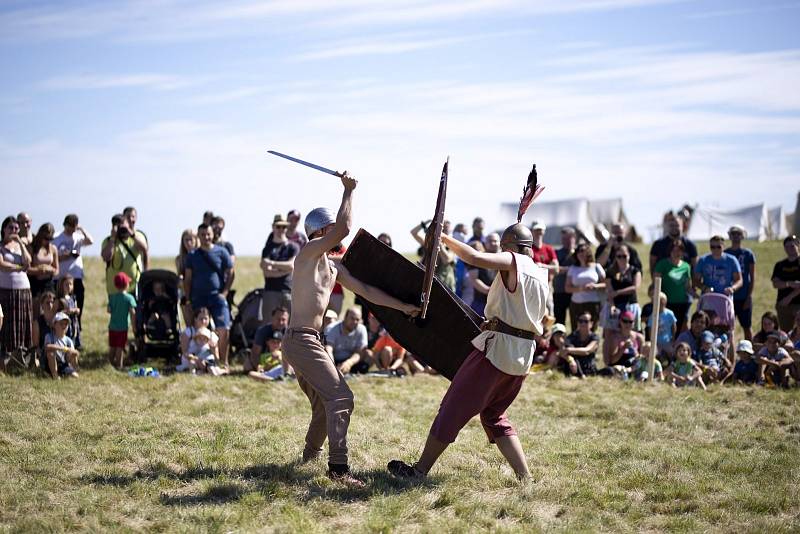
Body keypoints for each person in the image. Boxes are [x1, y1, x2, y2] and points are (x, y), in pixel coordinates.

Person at [282, 172, 419, 486]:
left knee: (322, 405)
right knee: (341, 398)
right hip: (300, 340)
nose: (338, 234)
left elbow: (368, 291)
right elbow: (345, 226)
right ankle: (338, 470)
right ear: (321, 232)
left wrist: (404, 307)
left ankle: (307, 459)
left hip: (310, 341)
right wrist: (348, 191)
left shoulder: (333, 266)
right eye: (331, 230)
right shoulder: (306, 255)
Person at [388, 218, 548, 481]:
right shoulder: (541, 273)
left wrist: (444, 237)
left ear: (511, 247)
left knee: (452, 408)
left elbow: (473, 257)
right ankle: (526, 478)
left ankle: (419, 471)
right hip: (521, 356)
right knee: (494, 415)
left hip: (497, 352)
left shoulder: (514, 261)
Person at [184, 223, 234, 368]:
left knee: (223, 329)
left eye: (208, 234)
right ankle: (201, 363)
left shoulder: (222, 252)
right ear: (198, 236)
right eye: (203, 234)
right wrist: (187, 300)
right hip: (198, 298)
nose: (206, 237)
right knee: (200, 331)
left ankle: (223, 363)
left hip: (217, 298)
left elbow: (231, 272)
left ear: (213, 235)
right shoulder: (192, 255)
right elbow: (187, 279)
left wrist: (224, 293)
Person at [0, 216, 33, 371]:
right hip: (6, 291)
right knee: (7, 324)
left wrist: (20, 241)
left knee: (22, 324)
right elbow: (2, 265)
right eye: (10, 228)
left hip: (23, 290)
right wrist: (18, 267)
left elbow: (28, 262)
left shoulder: (20, 246)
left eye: (16, 228)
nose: (13, 231)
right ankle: (5, 357)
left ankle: (21, 356)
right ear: (4, 229)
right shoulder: (1, 246)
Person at [53, 214, 93, 332]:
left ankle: (76, 326)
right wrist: (66, 256)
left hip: (76, 277)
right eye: (70, 227)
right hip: (60, 277)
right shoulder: (57, 237)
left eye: (74, 227)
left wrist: (81, 229)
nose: (72, 230)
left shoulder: (78, 237)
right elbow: (53, 256)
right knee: (61, 305)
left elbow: (90, 241)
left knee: (77, 302)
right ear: (65, 225)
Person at [261, 214, 299, 322]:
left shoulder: (293, 247)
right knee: (269, 324)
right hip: (271, 291)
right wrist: (285, 269)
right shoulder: (267, 249)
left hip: (288, 291)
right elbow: (266, 272)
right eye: (278, 226)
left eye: (284, 227)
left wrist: (272, 263)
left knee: (291, 326)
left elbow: (291, 265)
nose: (281, 229)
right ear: (273, 227)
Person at [101, 214, 147, 298]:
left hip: (134, 287)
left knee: (135, 311)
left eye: (123, 224)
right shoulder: (108, 241)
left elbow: (144, 249)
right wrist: (112, 239)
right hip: (114, 290)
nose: (121, 228)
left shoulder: (135, 238)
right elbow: (106, 257)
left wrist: (131, 233)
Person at [653, 240, 694, 333]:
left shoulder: (686, 266)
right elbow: (656, 284)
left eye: (679, 250)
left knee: (681, 329)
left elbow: (688, 287)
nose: (677, 253)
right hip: (666, 304)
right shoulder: (662, 264)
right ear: (670, 252)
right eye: (674, 250)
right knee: (668, 329)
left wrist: (697, 295)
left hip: (682, 304)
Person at [725, 225, 756, 340]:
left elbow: (752, 277)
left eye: (738, 234)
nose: (736, 236)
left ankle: (750, 352)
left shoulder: (748, 254)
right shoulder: (725, 253)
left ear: (743, 236)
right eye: (733, 234)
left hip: (744, 296)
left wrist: (748, 297)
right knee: (727, 327)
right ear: (729, 236)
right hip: (729, 296)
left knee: (746, 326)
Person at [565, 243, 605, 331]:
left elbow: (606, 284)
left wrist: (595, 286)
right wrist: (580, 289)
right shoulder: (573, 268)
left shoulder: (596, 267)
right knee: (576, 331)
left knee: (592, 331)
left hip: (593, 304)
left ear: (588, 252)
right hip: (576, 304)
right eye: (579, 251)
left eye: (583, 251)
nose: (581, 254)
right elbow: (567, 288)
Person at [411, 220, 456, 292]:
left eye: (445, 229)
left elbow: (446, 259)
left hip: (445, 287)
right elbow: (413, 232)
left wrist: (439, 242)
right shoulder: (430, 244)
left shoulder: (451, 247)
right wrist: (428, 222)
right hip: (428, 284)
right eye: (441, 228)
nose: (443, 231)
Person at [604, 244, 642, 331]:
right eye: (619, 256)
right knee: (611, 333)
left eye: (624, 256)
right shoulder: (610, 272)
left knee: (632, 332)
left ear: (629, 256)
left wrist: (618, 292)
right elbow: (609, 290)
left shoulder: (634, 271)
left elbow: (635, 287)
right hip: (615, 306)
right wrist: (612, 305)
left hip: (630, 305)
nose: (622, 259)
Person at [649, 212, 698, 277]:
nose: (674, 228)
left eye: (677, 225)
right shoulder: (658, 244)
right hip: (663, 284)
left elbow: (695, 267)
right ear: (667, 226)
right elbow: (652, 266)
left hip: (683, 284)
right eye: (671, 225)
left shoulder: (690, 245)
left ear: (682, 226)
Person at [324, 306, 370, 374]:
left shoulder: (362, 329)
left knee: (365, 365)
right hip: (333, 359)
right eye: (352, 318)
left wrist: (349, 363)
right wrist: (332, 367)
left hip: (350, 360)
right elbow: (328, 350)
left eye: (357, 319)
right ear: (345, 317)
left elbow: (360, 352)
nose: (354, 322)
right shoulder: (331, 328)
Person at [27, 223, 59, 316]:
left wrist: (50, 270)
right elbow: (27, 268)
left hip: (48, 283)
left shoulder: (53, 249)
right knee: (36, 311)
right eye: (46, 238)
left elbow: (57, 270)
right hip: (35, 282)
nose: (47, 241)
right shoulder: (32, 247)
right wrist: (40, 270)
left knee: (49, 310)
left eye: (50, 239)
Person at [245, 306, 289, 372]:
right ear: (272, 318)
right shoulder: (262, 331)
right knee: (247, 366)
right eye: (278, 319)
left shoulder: (290, 333)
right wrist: (258, 366)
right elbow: (255, 352)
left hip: (282, 360)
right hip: (263, 359)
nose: (280, 322)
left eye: (283, 320)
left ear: (287, 321)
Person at [107, 272, 136, 369]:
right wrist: (134, 326)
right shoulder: (129, 298)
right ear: (126, 284)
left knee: (113, 346)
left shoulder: (112, 297)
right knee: (120, 347)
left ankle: (110, 363)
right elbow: (133, 313)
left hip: (112, 326)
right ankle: (119, 365)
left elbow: (109, 310)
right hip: (122, 327)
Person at [771, 235, 800, 332]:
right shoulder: (780, 265)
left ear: (798, 245)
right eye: (787, 247)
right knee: (785, 333)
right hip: (783, 305)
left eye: (792, 246)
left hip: (797, 304)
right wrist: (789, 283)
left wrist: (789, 297)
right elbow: (775, 284)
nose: (789, 249)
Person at [468, 233, 500, 316]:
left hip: (500, 303)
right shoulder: (479, 258)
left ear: (500, 243)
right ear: (485, 243)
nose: (493, 243)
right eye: (490, 241)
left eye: (495, 241)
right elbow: (474, 279)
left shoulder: (506, 258)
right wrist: (488, 290)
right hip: (481, 302)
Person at [530, 222, 558, 315]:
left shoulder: (549, 249)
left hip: (547, 286)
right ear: (532, 231)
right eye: (536, 230)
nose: (539, 232)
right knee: (535, 312)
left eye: (540, 230)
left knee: (549, 312)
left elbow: (556, 269)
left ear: (544, 231)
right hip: (532, 286)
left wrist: (542, 266)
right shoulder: (528, 249)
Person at [43, 311, 79, 379]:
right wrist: (64, 349)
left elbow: (73, 353)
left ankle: (67, 372)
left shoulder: (68, 340)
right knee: (51, 353)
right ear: (54, 325)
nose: (64, 326)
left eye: (66, 324)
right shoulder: (49, 336)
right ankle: (54, 375)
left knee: (75, 376)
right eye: (61, 324)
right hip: (49, 364)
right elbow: (47, 347)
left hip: (63, 364)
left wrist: (73, 353)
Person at [553, 227, 576, 327]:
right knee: (559, 321)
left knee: (576, 320)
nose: (566, 241)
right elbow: (555, 269)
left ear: (574, 238)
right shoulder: (556, 253)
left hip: (574, 291)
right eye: (564, 239)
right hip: (559, 291)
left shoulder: (580, 253)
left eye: (568, 238)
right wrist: (571, 269)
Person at [647, 292, 677, 365]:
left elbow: (673, 325)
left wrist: (673, 337)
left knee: (671, 354)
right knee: (657, 356)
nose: (659, 304)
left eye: (661, 302)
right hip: (656, 342)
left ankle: (672, 367)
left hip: (667, 340)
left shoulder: (669, 313)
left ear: (665, 302)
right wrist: (652, 340)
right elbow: (650, 329)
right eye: (656, 302)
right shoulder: (653, 316)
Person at [176, 229, 198, 325]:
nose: (189, 243)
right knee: (189, 323)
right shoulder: (179, 258)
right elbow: (180, 274)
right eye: (186, 240)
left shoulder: (200, 256)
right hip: (185, 292)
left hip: (198, 291)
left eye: (191, 240)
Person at [56, 275, 81, 348]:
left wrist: (77, 310)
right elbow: (58, 313)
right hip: (65, 325)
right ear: (61, 286)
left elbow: (76, 308)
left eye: (70, 284)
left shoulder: (73, 298)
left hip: (73, 323)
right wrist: (68, 311)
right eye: (66, 284)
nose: (69, 286)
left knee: (74, 337)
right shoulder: (60, 300)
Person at [122, 206, 149, 271]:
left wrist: (146, 273)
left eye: (133, 217)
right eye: (128, 217)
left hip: (137, 277)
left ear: (136, 218)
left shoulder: (140, 235)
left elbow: (145, 251)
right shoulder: (116, 236)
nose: (131, 219)